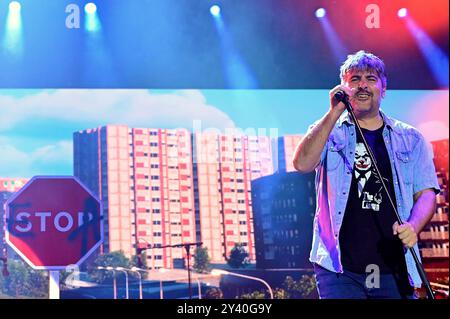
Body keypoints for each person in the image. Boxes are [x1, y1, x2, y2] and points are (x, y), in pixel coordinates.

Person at [293, 50, 440, 299]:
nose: (362, 85)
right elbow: (302, 164)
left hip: (394, 268)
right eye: (354, 79)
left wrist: (414, 226)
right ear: (343, 87)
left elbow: (427, 194)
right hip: (339, 269)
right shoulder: (329, 132)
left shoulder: (410, 138)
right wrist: (334, 113)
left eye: (371, 79)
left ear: (383, 88)